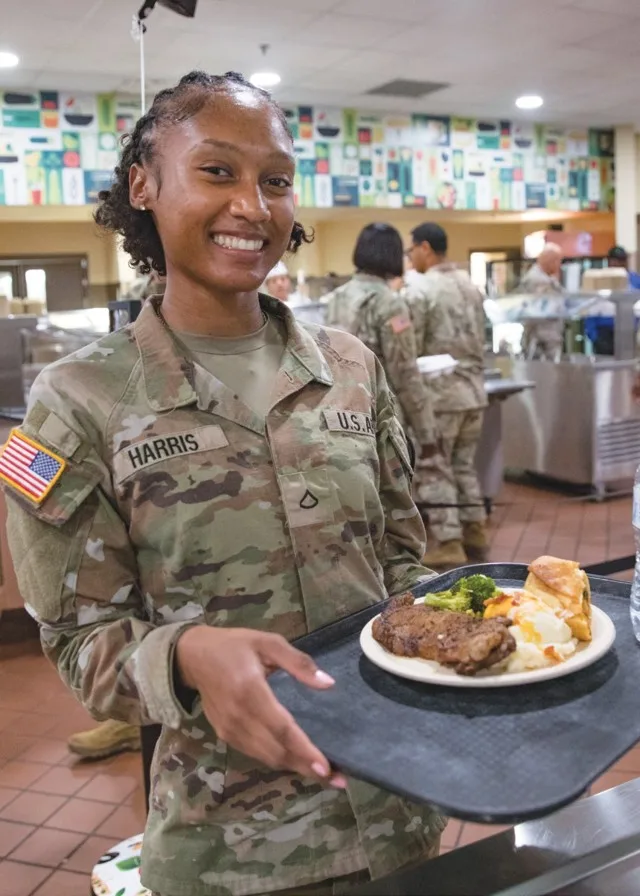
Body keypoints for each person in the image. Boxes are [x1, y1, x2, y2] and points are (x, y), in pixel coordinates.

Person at [2, 71, 444, 896]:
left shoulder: (350, 366)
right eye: (217, 172)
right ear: (145, 185)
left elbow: (402, 571)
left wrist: (482, 641)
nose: (253, 205)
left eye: (274, 180)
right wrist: (187, 655)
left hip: (404, 812)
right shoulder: (80, 399)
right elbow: (78, 644)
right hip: (230, 852)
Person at [404, 222, 488, 570]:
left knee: (435, 468)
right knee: (464, 466)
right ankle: (475, 531)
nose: (410, 258)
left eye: (411, 250)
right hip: (474, 391)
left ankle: (448, 542)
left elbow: (412, 346)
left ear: (425, 248)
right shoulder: (472, 286)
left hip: (441, 396)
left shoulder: (421, 290)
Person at [322, 222, 440, 464]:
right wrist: (426, 433)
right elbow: (404, 372)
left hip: (339, 414)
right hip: (381, 419)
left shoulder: (335, 299)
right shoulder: (391, 304)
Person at [515, 243, 566, 360]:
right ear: (549, 260)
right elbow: (547, 308)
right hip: (542, 336)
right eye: (558, 261)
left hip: (549, 334)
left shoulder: (548, 278)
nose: (559, 265)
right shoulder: (537, 280)